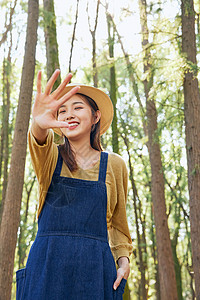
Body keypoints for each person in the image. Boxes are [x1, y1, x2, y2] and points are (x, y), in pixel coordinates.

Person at [16, 70, 133, 300]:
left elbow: (119, 225)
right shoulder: (50, 158)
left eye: (78, 107)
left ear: (95, 116)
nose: (69, 114)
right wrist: (38, 124)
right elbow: (39, 140)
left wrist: (123, 262)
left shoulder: (115, 165)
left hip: (95, 271)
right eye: (62, 110)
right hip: (47, 267)